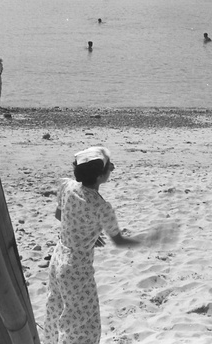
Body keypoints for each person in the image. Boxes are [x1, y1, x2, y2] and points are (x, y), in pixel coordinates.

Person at [43, 146, 166, 344]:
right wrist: (150, 239)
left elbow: (60, 215)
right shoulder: (101, 207)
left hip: (58, 257)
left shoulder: (66, 186)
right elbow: (119, 241)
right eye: (110, 167)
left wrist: (87, 234)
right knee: (82, 328)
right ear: (100, 176)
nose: (113, 169)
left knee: (55, 311)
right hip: (77, 268)